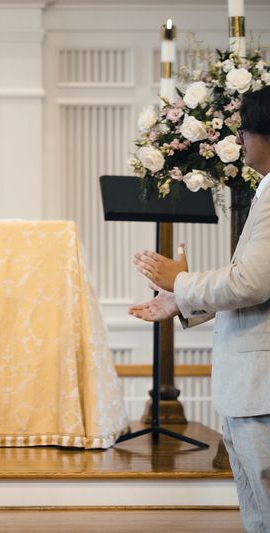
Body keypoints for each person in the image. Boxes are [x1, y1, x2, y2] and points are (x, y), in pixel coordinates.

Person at [130, 86, 270, 532]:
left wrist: (181, 281)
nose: (242, 140)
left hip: (261, 385)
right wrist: (180, 299)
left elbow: (253, 281)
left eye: (246, 130)